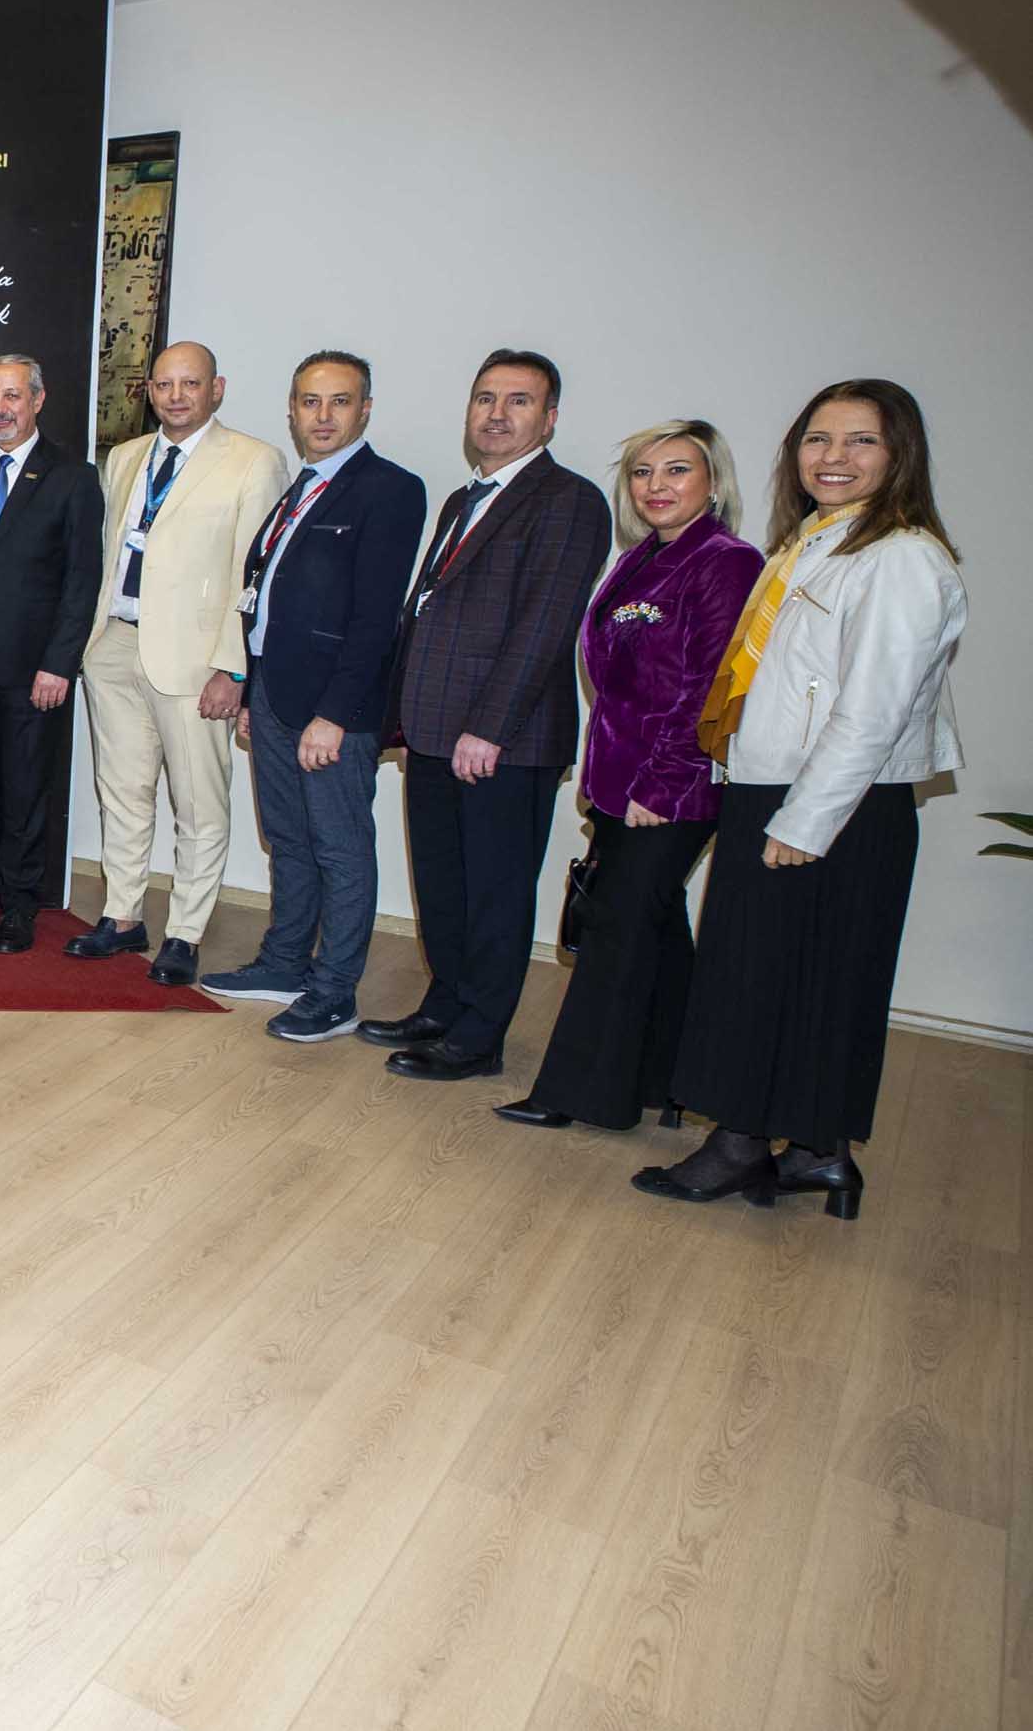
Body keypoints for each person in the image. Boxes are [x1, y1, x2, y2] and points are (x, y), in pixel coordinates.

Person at [640, 382, 965, 1218]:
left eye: (861, 441)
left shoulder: (903, 558)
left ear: (900, 454)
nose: (833, 457)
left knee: (774, 977)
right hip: (780, 788)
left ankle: (740, 1143)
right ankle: (820, 1152)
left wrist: (807, 819)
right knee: (798, 978)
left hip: (831, 804)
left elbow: (875, 709)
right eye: (818, 439)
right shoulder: (816, 541)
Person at [499, 421, 760, 1130]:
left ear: (713, 481)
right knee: (657, 927)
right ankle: (670, 1080)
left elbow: (709, 687)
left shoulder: (726, 562)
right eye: (643, 472)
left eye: (677, 470)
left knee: (614, 934)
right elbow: (617, 686)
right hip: (621, 781)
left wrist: (663, 782)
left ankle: (579, 1094)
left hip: (671, 788)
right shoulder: (641, 558)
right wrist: (604, 778)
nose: (656, 486)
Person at [364, 349, 611, 1080]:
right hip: (435, 731)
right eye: (485, 399)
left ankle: (479, 1037)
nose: (496, 414)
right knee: (444, 885)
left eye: (518, 401)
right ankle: (445, 1003)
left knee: (495, 894)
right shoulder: (464, 499)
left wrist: (489, 728)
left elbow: (544, 625)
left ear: (550, 417)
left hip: (502, 741)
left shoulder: (568, 500)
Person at [207, 353, 427, 1041]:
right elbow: (267, 598)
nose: (323, 415)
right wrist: (252, 690)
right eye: (310, 401)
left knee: (339, 847)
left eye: (339, 401)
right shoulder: (302, 487)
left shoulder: (390, 489)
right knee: (289, 840)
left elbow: (374, 619)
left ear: (365, 409)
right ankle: (284, 963)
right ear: (293, 410)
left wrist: (334, 715)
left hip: (334, 709)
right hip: (275, 693)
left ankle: (334, 993)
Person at [66, 342, 290, 985]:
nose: (176, 396)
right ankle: (122, 915)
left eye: (190, 384)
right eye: (164, 385)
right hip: (114, 645)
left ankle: (186, 932)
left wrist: (234, 667)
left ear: (216, 388)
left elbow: (255, 573)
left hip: (196, 662)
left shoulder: (254, 461)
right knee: (122, 791)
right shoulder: (125, 458)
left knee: (199, 803)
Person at [0, 353, 104, 954]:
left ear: (38, 399)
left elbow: (82, 580)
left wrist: (59, 662)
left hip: (34, 668)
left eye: (11, 396)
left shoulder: (73, 477)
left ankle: (21, 905)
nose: (0, 409)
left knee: (26, 789)